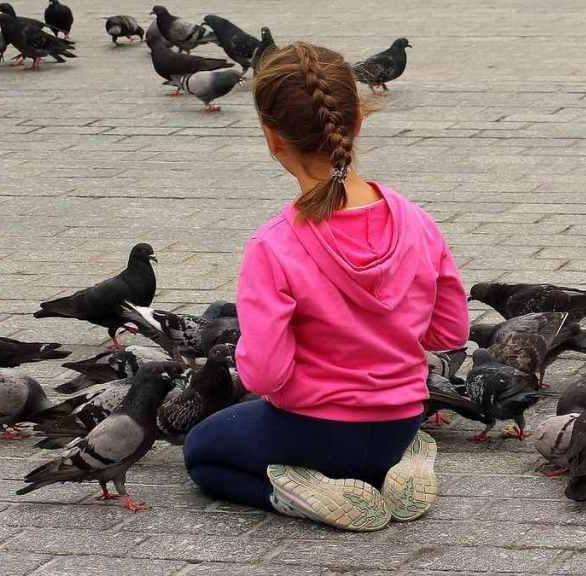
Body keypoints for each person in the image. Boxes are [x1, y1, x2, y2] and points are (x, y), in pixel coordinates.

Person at [183, 41, 469, 532]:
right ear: (358, 121)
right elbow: (449, 332)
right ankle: (397, 468)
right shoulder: (417, 221)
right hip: (399, 425)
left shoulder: (273, 245)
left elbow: (265, 376)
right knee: (346, 440)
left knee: (202, 450)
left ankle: (300, 496)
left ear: (273, 139)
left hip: (312, 432)